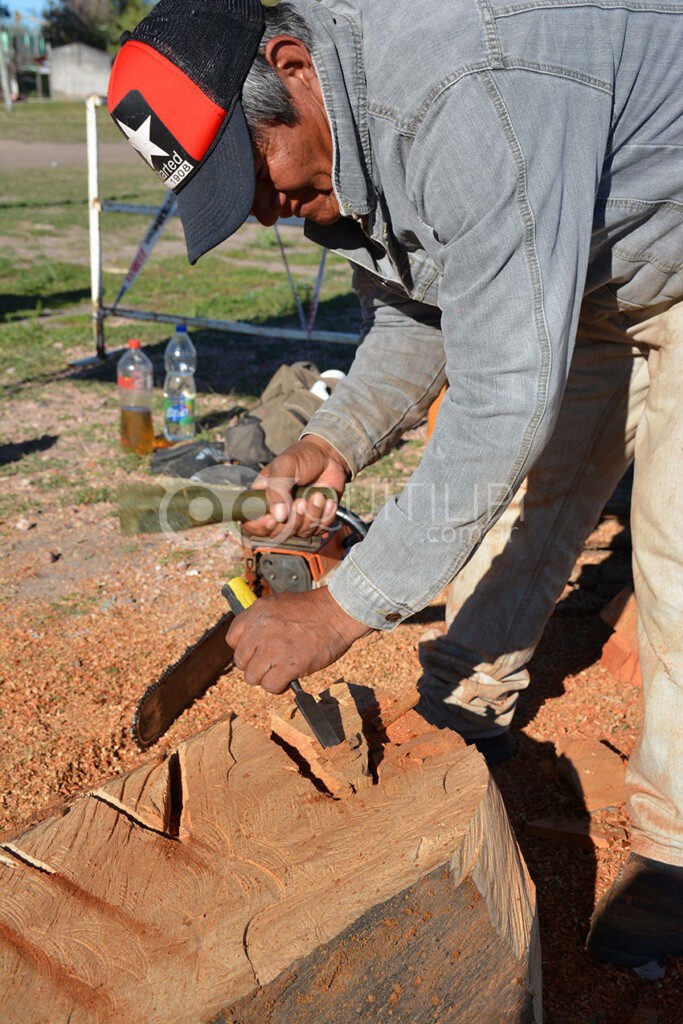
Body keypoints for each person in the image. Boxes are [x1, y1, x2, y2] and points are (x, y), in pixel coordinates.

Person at [108, 0, 683, 968]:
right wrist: (333, 440)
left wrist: (338, 609)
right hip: (583, 273)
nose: (262, 211)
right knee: (525, 510)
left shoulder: (462, 95)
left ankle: (672, 852)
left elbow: (499, 399)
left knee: (670, 545)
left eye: (254, 172)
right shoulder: (342, 133)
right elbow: (422, 310)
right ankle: (461, 715)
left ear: (293, 66)